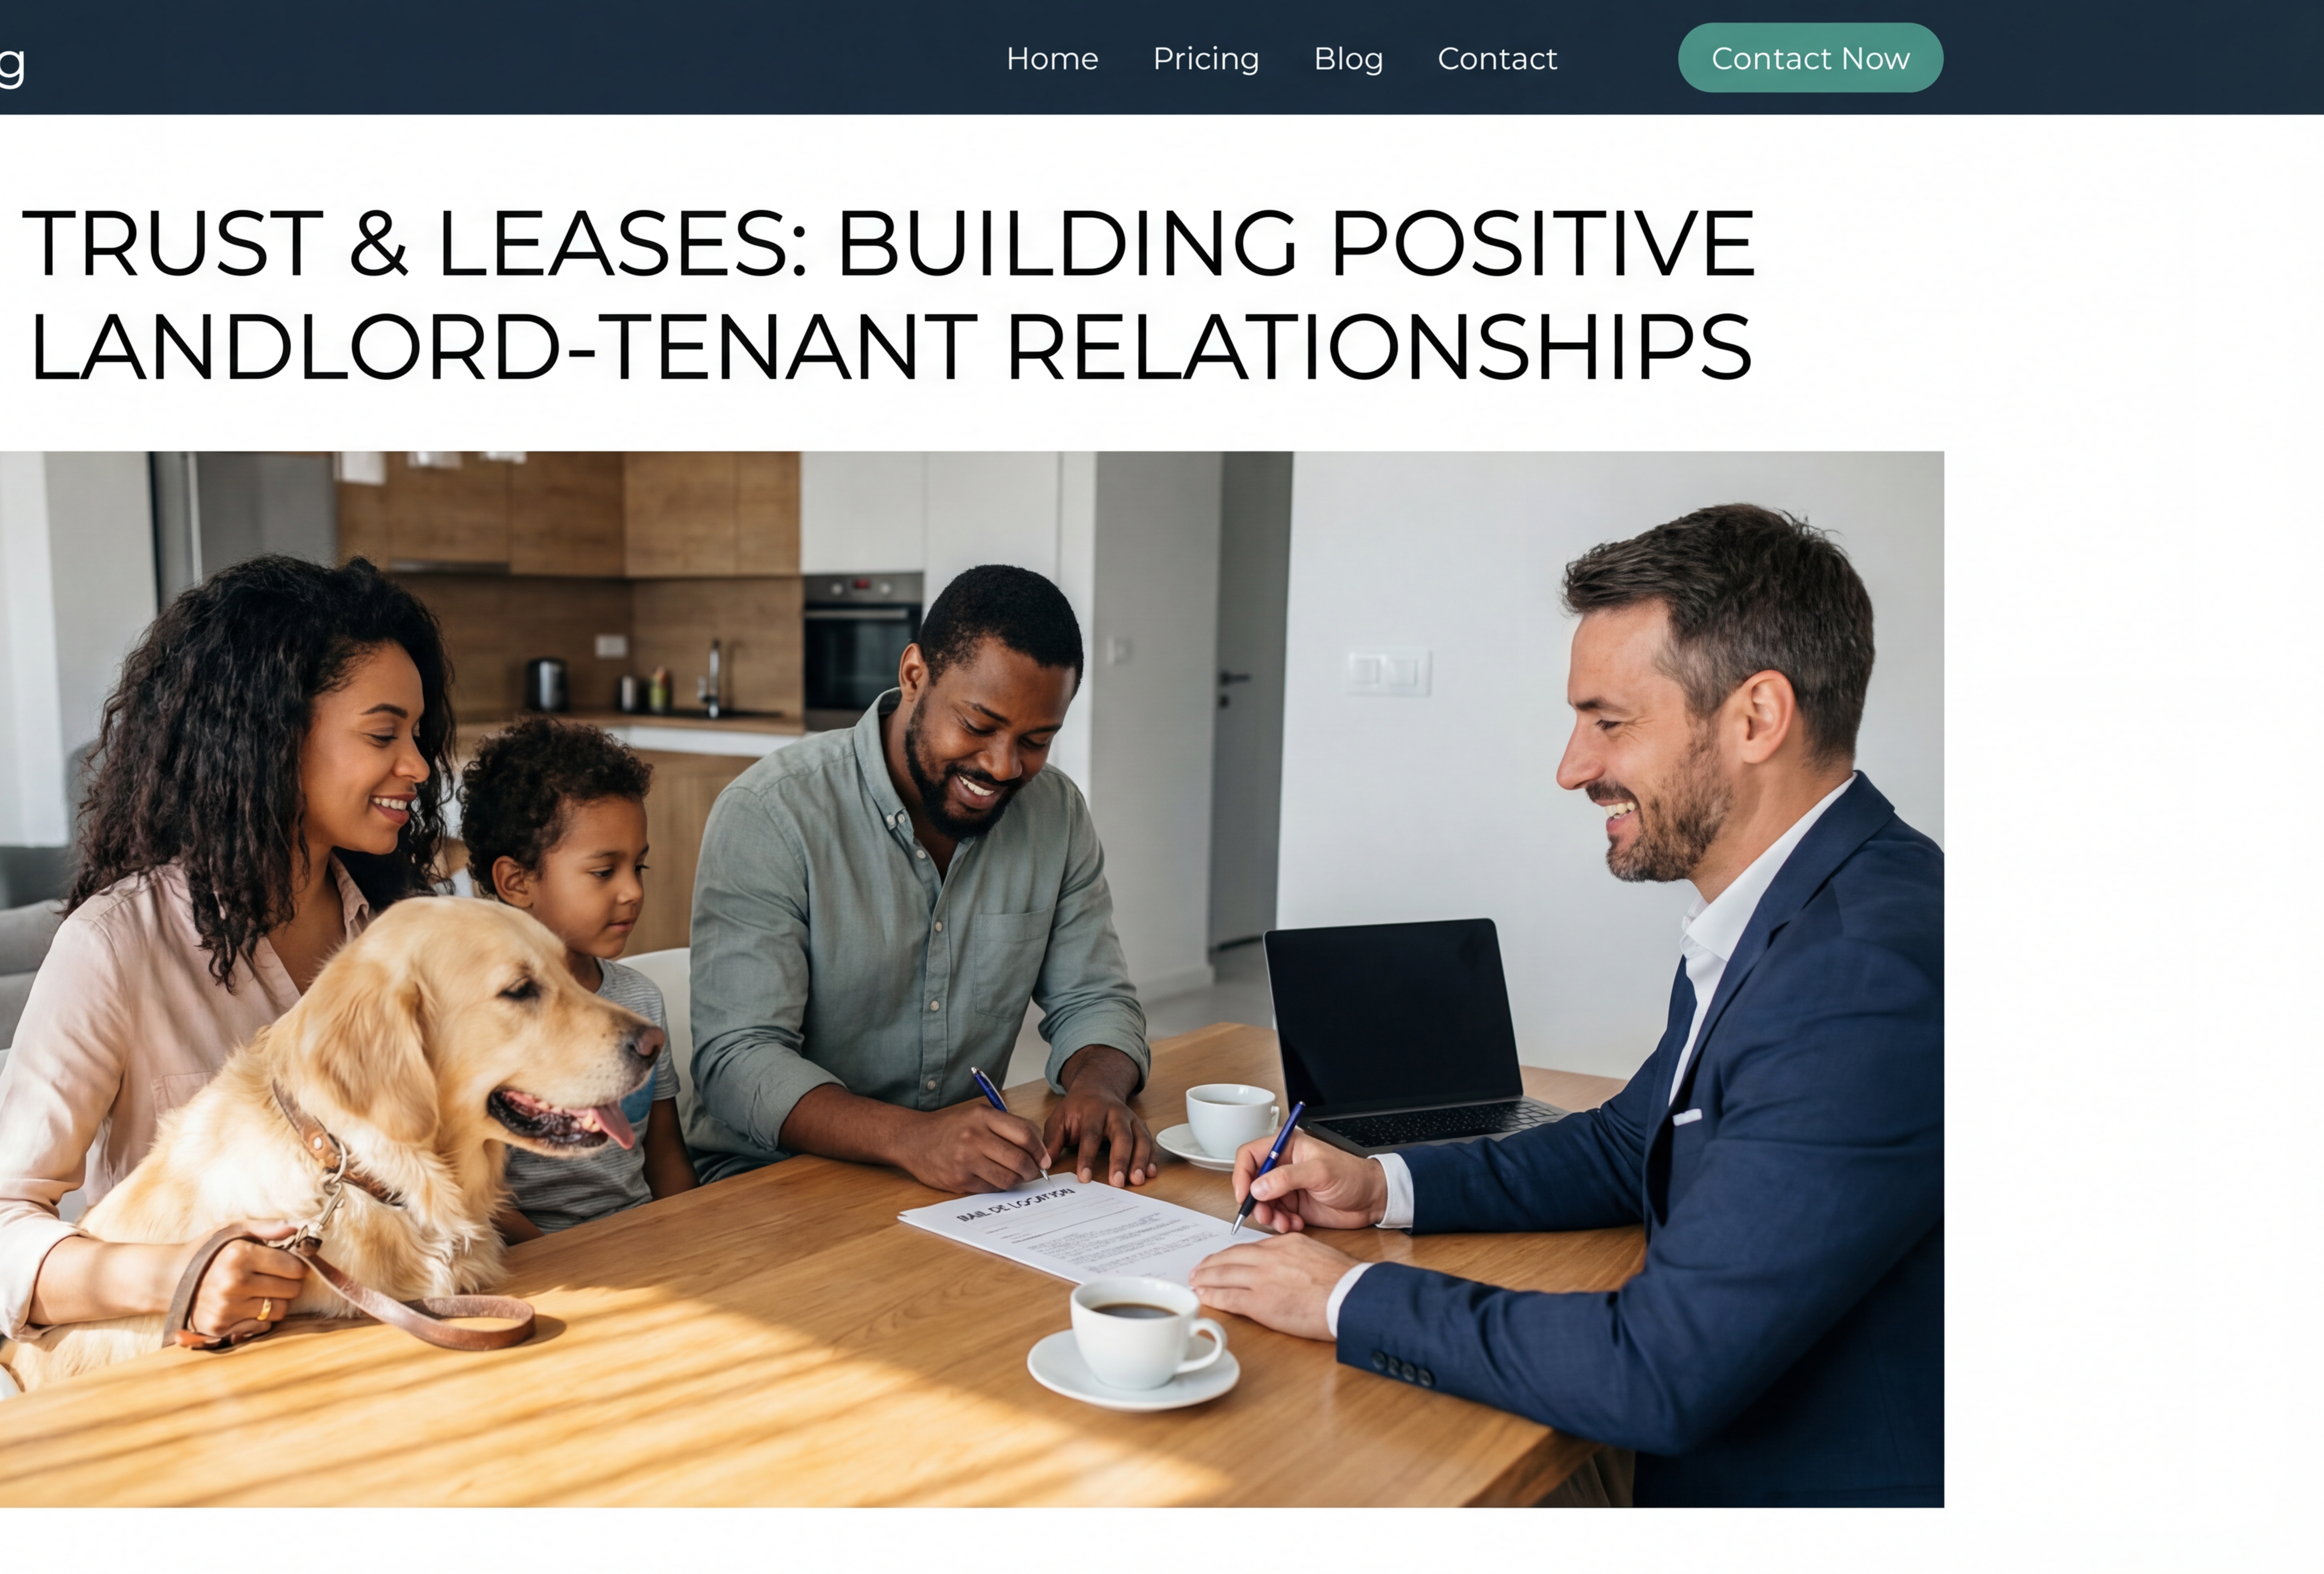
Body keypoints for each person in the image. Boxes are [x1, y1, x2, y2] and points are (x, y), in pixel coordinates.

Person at [1191, 506, 1942, 1507]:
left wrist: (1348, 1295)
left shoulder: (1858, 976)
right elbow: (1624, 1145)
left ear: (1756, 718)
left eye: (1607, 721)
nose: (1570, 767)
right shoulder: (1790, 907)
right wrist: (1380, 1190)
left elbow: (1659, 1370)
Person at [0, 555, 458, 1350]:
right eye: (384, 734)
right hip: (187, 1377)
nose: (418, 767)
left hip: (380, 1337)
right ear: (270, 737)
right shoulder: (117, 948)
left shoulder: (401, 934)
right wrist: (181, 1274)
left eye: (419, 735)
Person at [686, 563, 1158, 1193]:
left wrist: (1098, 1090)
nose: (1002, 766)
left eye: (1036, 740)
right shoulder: (772, 813)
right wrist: (911, 1137)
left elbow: (1094, 999)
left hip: (955, 1179)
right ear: (915, 676)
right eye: (978, 726)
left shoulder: (1056, 814)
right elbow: (738, 1061)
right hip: (776, 1180)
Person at [458, 716, 695, 1234]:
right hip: (541, 1264)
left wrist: (687, 1238)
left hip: (643, 1242)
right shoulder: (486, 1019)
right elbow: (476, 1192)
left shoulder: (640, 1001)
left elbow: (666, 1157)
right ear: (517, 881)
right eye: (604, 871)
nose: (632, 891)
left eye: (640, 868)